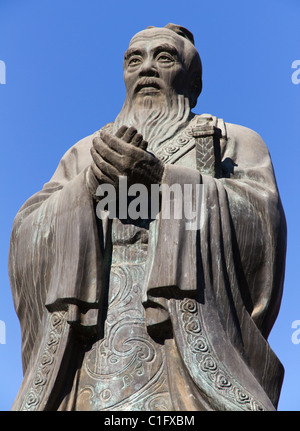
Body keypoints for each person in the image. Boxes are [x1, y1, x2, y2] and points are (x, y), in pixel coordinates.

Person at [9, 24, 286, 411]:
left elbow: (262, 228)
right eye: (134, 60)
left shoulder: (230, 140)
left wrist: (163, 181)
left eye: (165, 58)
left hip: (186, 350)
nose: (148, 69)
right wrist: (88, 188)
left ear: (193, 80)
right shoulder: (87, 152)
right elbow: (27, 231)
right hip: (92, 359)